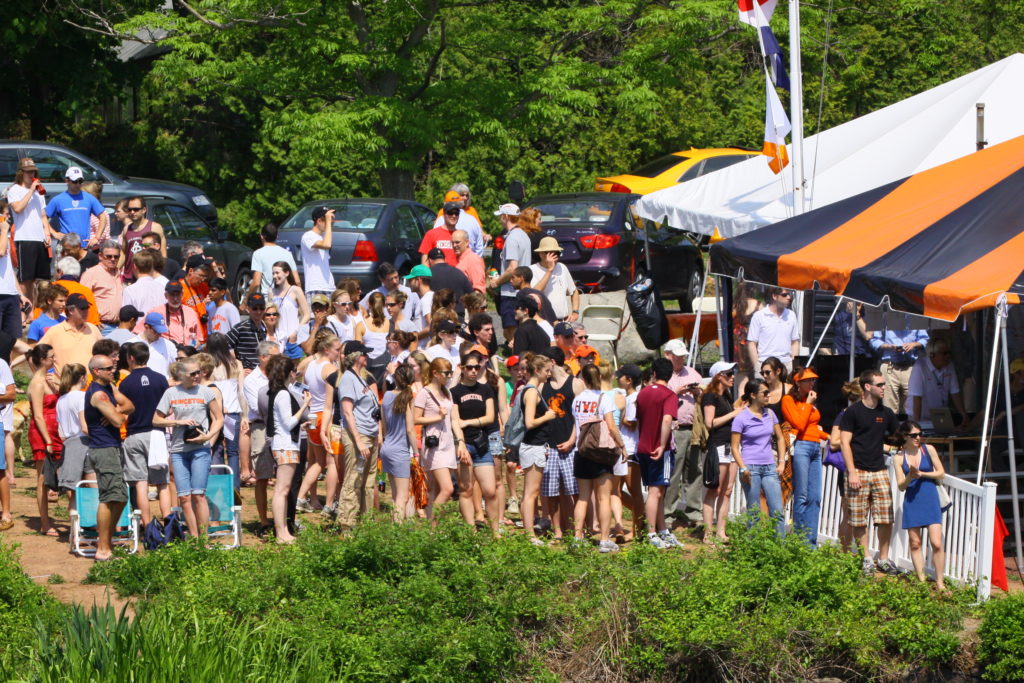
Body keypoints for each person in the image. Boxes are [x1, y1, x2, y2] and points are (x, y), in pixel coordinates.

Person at [840, 369, 902, 576]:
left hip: (879, 470)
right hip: (857, 469)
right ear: (868, 387)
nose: (884, 388)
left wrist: (915, 442)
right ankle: (866, 557)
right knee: (858, 518)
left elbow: (898, 437)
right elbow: (845, 443)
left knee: (885, 516)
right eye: (880, 384)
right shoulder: (853, 412)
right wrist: (851, 472)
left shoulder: (886, 413)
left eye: (884, 384)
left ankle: (883, 558)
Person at [153, 358, 223, 538]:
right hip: (178, 450)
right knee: (184, 497)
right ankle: (193, 538)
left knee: (198, 495)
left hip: (200, 449)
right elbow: (156, 419)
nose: (198, 376)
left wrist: (208, 436)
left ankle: (203, 539)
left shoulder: (206, 392)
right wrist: (177, 421)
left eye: (199, 372)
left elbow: (219, 418)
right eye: (193, 373)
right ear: (182, 375)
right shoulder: (171, 393)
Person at [83, 354, 133, 561]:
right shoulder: (97, 394)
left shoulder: (109, 389)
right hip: (103, 449)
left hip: (111, 448)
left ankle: (106, 541)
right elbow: (117, 421)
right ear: (96, 371)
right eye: (108, 369)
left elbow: (130, 406)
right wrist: (116, 414)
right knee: (109, 497)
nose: (113, 371)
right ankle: (103, 549)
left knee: (120, 497)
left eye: (113, 367)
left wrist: (117, 410)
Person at [118, 342, 171, 527]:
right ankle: (168, 521)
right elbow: (168, 406)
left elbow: (121, 410)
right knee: (162, 483)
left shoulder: (125, 383)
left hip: (134, 434)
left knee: (140, 483)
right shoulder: (160, 379)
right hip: (157, 434)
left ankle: (147, 525)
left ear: (130, 358)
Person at [571, 364, 623, 552]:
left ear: (583, 379)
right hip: (600, 452)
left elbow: (576, 425)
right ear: (599, 378)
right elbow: (611, 426)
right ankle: (603, 539)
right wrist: (622, 447)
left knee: (583, 497)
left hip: (582, 451)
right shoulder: (605, 399)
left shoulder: (577, 400)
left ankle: (577, 536)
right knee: (603, 498)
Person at [635, 357, 684, 549]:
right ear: (670, 375)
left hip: (643, 447)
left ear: (654, 374)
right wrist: (663, 445)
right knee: (656, 492)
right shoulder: (669, 395)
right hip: (658, 449)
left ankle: (662, 530)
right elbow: (666, 420)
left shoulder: (643, 393)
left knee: (657, 491)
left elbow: (639, 419)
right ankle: (652, 533)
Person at [893, 420, 948, 591]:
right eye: (914, 435)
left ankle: (940, 582)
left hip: (930, 498)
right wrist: (910, 476)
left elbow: (941, 472)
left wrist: (922, 473)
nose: (918, 438)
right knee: (915, 542)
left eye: (920, 434)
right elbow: (901, 486)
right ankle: (922, 581)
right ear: (905, 436)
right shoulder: (898, 457)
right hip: (912, 500)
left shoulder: (928, 449)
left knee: (936, 542)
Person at [336, 340, 384, 529]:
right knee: (353, 479)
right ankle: (347, 523)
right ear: (356, 357)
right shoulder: (348, 378)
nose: (367, 356)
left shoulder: (361, 377)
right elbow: (348, 412)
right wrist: (359, 442)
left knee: (368, 480)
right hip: (359, 436)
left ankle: (365, 521)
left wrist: (378, 433)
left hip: (370, 433)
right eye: (364, 353)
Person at [731, 378, 787, 537]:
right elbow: (735, 447)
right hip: (750, 468)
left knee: (777, 510)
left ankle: (780, 550)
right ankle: (753, 550)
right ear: (753, 395)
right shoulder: (741, 418)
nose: (768, 396)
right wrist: (743, 468)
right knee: (754, 512)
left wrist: (781, 462)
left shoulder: (770, 413)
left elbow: (780, 438)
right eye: (765, 393)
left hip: (770, 467)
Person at [265, 355, 311, 543]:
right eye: (293, 371)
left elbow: (284, 423)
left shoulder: (277, 391)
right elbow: (288, 422)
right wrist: (305, 405)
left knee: (282, 490)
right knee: (282, 490)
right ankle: (281, 533)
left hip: (284, 443)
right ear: (287, 373)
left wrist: (301, 426)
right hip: (285, 446)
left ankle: (283, 531)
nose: (295, 375)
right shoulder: (282, 393)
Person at [452, 351, 500, 531]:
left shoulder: (485, 389)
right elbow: (454, 419)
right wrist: (460, 442)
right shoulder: (454, 392)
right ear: (462, 369)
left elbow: (490, 417)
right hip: (464, 444)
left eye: (476, 367)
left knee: (490, 490)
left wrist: (469, 422)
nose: (473, 371)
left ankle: (495, 530)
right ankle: (470, 529)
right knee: (466, 489)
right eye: (469, 367)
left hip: (482, 444)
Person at [295, 335, 343, 515]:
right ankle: (330, 503)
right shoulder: (329, 368)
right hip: (325, 416)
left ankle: (301, 497)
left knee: (316, 461)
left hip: (313, 415)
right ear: (326, 349)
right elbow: (331, 401)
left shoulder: (310, 365)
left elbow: (306, 390)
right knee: (331, 463)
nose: (339, 354)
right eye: (337, 350)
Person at [781, 367, 829, 545]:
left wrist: (829, 437)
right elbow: (799, 425)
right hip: (800, 446)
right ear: (798, 383)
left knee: (815, 497)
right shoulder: (788, 400)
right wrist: (808, 404)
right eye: (808, 380)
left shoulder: (809, 402)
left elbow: (813, 428)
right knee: (801, 495)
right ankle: (800, 540)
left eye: (813, 380)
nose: (812, 383)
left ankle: (811, 541)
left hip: (815, 446)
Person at [515, 353, 556, 545]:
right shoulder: (531, 392)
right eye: (547, 370)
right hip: (533, 446)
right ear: (537, 370)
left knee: (530, 492)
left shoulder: (532, 390)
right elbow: (530, 422)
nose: (549, 374)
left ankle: (529, 531)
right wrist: (548, 417)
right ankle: (530, 534)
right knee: (531, 492)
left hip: (535, 446)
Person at [662, 338, 704, 524]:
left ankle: (694, 512)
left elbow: (704, 394)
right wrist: (676, 392)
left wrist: (697, 393)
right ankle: (667, 514)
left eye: (683, 357)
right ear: (667, 355)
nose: (681, 360)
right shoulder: (663, 375)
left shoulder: (692, 373)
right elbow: (658, 397)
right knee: (673, 471)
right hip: (674, 428)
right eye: (677, 357)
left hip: (693, 427)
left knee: (695, 469)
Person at [242, 340, 281, 533]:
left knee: (284, 475)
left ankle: (283, 519)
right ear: (263, 357)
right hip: (261, 427)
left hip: (281, 426)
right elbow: (258, 408)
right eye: (276, 355)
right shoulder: (251, 380)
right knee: (263, 476)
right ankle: (264, 521)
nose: (280, 359)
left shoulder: (281, 374)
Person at [701, 360, 742, 545]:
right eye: (729, 374)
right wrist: (734, 413)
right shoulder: (710, 396)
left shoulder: (726, 395)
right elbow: (710, 423)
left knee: (727, 490)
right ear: (719, 376)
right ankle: (708, 533)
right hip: (718, 445)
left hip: (731, 445)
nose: (732, 377)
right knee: (715, 489)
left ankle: (721, 531)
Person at [28, 345, 62, 537]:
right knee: (42, 478)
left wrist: (57, 384)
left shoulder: (49, 379)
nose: (54, 359)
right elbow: (38, 416)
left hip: (54, 430)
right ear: (42, 359)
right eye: (51, 356)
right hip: (43, 433)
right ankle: (44, 522)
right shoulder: (38, 383)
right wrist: (48, 439)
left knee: (52, 475)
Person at [7, 158, 52, 300]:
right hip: (25, 238)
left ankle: (33, 313)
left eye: (33, 171)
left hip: (39, 238)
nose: (31, 174)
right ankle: (23, 311)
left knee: (38, 280)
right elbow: (18, 208)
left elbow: (43, 215)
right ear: (21, 173)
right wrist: (31, 190)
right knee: (25, 279)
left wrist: (47, 233)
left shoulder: (39, 192)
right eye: (28, 172)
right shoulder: (14, 190)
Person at [489, 203, 534, 343]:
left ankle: (516, 353)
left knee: (510, 328)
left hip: (510, 291)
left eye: (501, 216)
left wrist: (496, 282)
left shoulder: (512, 238)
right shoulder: (524, 235)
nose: (500, 220)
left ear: (506, 217)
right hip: (523, 288)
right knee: (521, 324)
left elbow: (512, 268)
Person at [381, 365, 419, 521]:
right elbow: (410, 429)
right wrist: (416, 453)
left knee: (395, 494)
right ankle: (397, 533)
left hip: (387, 447)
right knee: (402, 497)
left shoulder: (387, 395)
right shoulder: (408, 398)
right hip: (400, 450)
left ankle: (397, 528)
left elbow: (384, 426)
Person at [829, 380, 863, 550]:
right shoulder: (845, 414)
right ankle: (845, 553)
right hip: (849, 469)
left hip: (865, 467)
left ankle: (856, 553)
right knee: (848, 513)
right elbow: (834, 442)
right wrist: (852, 439)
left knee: (859, 514)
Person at [870, 324, 929, 416]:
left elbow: (925, 339)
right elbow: (874, 341)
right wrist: (889, 347)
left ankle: (910, 429)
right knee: (889, 406)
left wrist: (913, 344)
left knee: (911, 405)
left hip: (910, 367)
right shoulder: (885, 318)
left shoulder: (913, 317)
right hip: (889, 367)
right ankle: (891, 428)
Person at [54, 363, 94, 501]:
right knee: (93, 489)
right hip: (84, 443)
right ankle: (93, 522)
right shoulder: (82, 397)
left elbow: (61, 432)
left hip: (69, 445)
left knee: (74, 493)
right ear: (83, 377)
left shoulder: (61, 400)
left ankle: (74, 522)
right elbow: (84, 426)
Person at [909, 338, 967, 429]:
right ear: (932, 355)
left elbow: (955, 392)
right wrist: (917, 424)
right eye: (944, 353)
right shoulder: (920, 366)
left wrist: (963, 415)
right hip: (919, 415)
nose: (948, 356)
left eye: (949, 353)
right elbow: (916, 398)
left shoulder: (949, 365)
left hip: (940, 414)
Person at [38, 293, 102, 376]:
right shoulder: (55, 331)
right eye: (82, 308)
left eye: (87, 308)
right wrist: (43, 377)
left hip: (90, 385)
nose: (86, 311)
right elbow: (36, 355)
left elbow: (104, 355)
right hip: (65, 386)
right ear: (71, 311)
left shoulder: (93, 329)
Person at [44, 167, 107, 249]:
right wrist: (54, 233)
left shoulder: (89, 198)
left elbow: (103, 217)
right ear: (67, 181)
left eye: (80, 181)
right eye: (75, 181)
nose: (78, 184)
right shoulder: (58, 199)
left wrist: (96, 238)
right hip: (66, 247)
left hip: (84, 247)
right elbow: (43, 218)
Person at [746, 287, 800, 372]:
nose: (789, 297)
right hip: (765, 365)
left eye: (789, 294)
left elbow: (795, 342)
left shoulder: (791, 315)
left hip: (786, 365)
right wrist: (757, 366)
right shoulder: (759, 316)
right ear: (775, 296)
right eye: (784, 295)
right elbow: (752, 343)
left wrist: (794, 364)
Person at [529, 237, 580, 322]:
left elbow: (574, 291)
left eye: (556, 253)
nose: (554, 256)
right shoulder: (532, 270)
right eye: (550, 253)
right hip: (544, 322)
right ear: (540, 254)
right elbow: (534, 294)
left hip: (563, 321)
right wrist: (549, 271)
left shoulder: (562, 267)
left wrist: (575, 312)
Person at [138, 281, 202, 347]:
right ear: (166, 295)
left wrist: (197, 343)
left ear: (182, 294)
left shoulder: (191, 312)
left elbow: (199, 338)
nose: (175, 298)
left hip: (187, 353)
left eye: (178, 294)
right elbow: (138, 332)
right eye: (172, 295)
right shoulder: (155, 312)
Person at [81, 240, 126, 334]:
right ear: (100, 256)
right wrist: (93, 320)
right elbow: (82, 298)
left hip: (118, 326)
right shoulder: (91, 273)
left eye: (116, 256)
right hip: (100, 326)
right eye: (109, 256)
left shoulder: (118, 273)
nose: (113, 259)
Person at [119, 196, 167, 281]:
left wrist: (161, 274)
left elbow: (162, 253)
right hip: (129, 277)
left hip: (149, 276)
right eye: (129, 209)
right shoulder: (127, 228)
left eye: (136, 209)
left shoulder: (155, 227)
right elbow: (123, 252)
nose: (132, 212)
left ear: (144, 210)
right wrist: (116, 270)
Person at [248, 222, 299, 300]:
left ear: (261, 236)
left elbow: (256, 283)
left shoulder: (258, 254)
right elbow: (297, 281)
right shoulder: (287, 254)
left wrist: (245, 301)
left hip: (268, 299)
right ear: (277, 236)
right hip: (287, 298)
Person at [225, 294, 269, 370]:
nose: (258, 312)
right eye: (255, 308)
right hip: (247, 374)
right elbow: (223, 344)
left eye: (261, 308)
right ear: (248, 309)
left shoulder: (266, 328)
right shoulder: (241, 328)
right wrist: (237, 367)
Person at [300, 206, 335, 298]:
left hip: (329, 287)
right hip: (315, 288)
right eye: (327, 220)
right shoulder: (308, 236)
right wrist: (328, 223)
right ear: (319, 221)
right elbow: (327, 244)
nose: (330, 222)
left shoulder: (322, 237)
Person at [129, 312, 176, 377]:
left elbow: (176, 366)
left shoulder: (169, 345)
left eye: (161, 332)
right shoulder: (131, 343)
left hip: (163, 385)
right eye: (156, 331)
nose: (159, 334)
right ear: (146, 327)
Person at [425, 248, 472, 313]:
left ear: (430, 260)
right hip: (457, 316)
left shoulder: (427, 275)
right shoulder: (459, 273)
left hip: (437, 316)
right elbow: (470, 294)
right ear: (444, 259)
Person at [122, 249, 168, 315]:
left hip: (139, 325)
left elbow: (126, 317)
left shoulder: (130, 290)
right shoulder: (163, 289)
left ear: (134, 266)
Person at [420, 202, 460, 266]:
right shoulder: (431, 234)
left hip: (456, 274)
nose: (454, 216)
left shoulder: (460, 235)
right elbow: (425, 261)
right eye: (450, 213)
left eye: (456, 213)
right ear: (444, 214)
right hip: (436, 274)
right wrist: (427, 275)